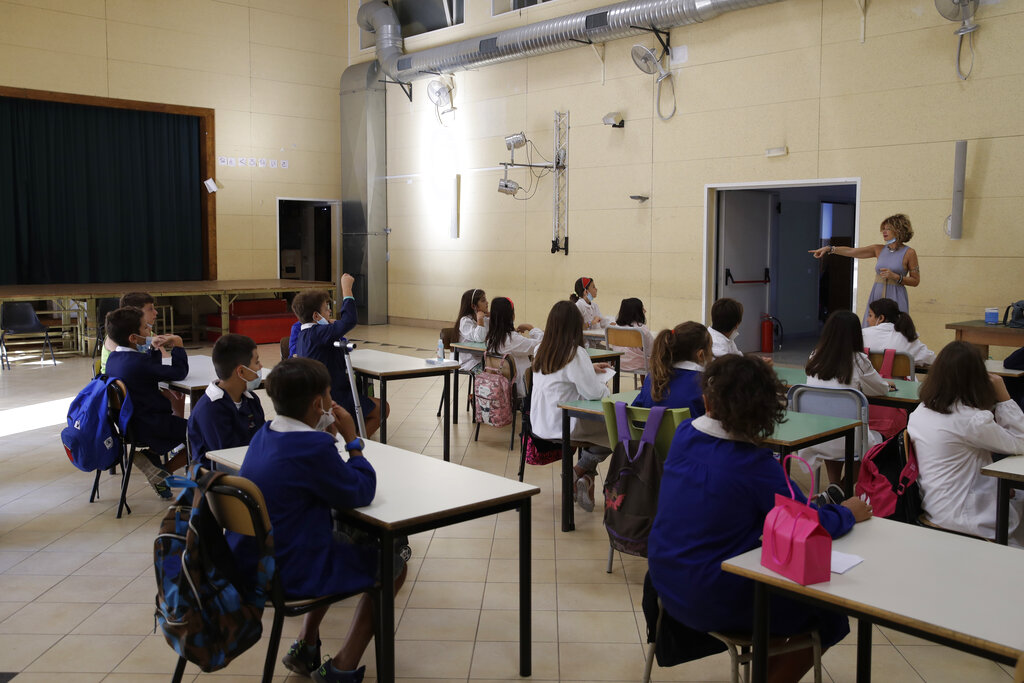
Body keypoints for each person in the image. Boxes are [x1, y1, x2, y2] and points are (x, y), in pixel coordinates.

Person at [647, 355, 871, 683]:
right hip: (709, 595)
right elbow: (809, 524)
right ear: (768, 412)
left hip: (664, 583)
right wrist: (848, 512)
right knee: (830, 614)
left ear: (707, 401)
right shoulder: (755, 466)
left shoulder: (684, 435)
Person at [228, 357, 408, 683]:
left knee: (348, 534)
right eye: (328, 395)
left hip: (249, 563)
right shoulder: (312, 447)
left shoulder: (265, 434)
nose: (332, 402)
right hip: (288, 570)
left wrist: (321, 435)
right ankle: (343, 665)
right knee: (392, 561)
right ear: (316, 404)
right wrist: (353, 441)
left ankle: (306, 644)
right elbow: (361, 491)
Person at [908, 341, 1024, 545]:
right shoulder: (972, 420)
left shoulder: (920, 412)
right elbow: (1020, 442)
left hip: (933, 506)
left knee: (1013, 493)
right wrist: (1005, 397)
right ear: (977, 378)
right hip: (966, 518)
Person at [530, 300, 612, 512]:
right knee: (617, 430)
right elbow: (593, 393)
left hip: (538, 423)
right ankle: (577, 472)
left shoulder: (541, 348)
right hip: (565, 425)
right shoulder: (575, 353)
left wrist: (589, 368)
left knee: (600, 428)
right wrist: (606, 390)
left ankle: (585, 480)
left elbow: (560, 373)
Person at [104, 306, 189, 498]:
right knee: (200, 431)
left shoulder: (115, 359)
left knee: (186, 428)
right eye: (145, 329)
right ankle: (163, 472)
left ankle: (152, 458)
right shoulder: (138, 363)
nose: (149, 331)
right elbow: (179, 373)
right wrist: (178, 344)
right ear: (133, 338)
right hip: (150, 424)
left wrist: (152, 348)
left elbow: (148, 371)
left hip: (130, 425)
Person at [803, 311, 891, 485]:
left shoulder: (815, 356)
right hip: (850, 441)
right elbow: (880, 389)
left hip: (816, 437)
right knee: (867, 440)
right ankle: (842, 489)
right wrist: (887, 384)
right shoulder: (859, 360)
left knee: (833, 430)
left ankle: (834, 487)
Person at [293, 275, 387, 438]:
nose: (330, 311)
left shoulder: (305, 334)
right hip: (333, 395)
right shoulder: (318, 333)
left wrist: (332, 325)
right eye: (327, 308)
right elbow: (349, 320)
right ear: (316, 316)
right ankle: (354, 440)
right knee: (382, 408)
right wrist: (347, 289)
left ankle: (352, 437)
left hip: (319, 393)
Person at [809, 213, 920, 326]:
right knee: (873, 326)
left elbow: (915, 281)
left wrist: (896, 277)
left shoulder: (909, 253)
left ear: (899, 230)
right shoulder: (878, 249)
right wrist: (829, 248)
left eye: (888, 229)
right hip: (877, 292)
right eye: (883, 229)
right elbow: (852, 251)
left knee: (896, 328)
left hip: (897, 294)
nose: (884, 232)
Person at [186, 333, 266, 468]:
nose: (261, 366)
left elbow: (262, 438)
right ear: (241, 371)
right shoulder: (211, 409)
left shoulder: (250, 399)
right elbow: (227, 458)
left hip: (249, 466)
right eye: (257, 362)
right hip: (223, 478)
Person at [631, 322, 710, 418]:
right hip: (687, 432)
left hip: (648, 433)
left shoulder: (653, 377)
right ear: (701, 355)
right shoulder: (705, 384)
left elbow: (634, 413)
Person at [483, 296, 542, 396]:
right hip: (519, 386)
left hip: (499, 385)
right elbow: (541, 344)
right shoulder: (512, 339)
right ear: (511, 316)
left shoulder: (490, 339)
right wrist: (531, 329)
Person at [862, 297, 935, 367]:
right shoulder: (907, 337)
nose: (867, 320)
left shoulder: (862, 335)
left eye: (870, 315)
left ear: (881, 318)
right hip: (898, 380)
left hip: (869, 379)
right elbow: (931, 359)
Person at [609, 297, 654, 374]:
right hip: (639, 364)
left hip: (619, 363)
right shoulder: (642, 329)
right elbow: (651, 350)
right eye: (642, 308)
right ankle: (647, 386)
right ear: (637, 312)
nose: (645, 311)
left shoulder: (614, 328)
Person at [455, 288, 489, 372]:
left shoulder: (485, 319)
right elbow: (480, 338)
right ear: (473, 306)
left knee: (504, 369)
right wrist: (480, 319)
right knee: (489, 374)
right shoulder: (465, 321)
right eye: (483, 300)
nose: (487, 302)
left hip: (483, 358)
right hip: (469, 361)